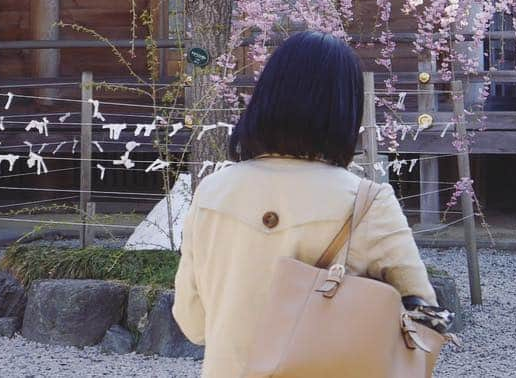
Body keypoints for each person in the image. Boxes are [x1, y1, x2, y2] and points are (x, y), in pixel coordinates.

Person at [173, 32, 438, 378]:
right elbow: (426, 319)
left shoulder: (212, 192)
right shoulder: (367, 203)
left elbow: (192, 323)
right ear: (344, 110)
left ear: (267, 96)